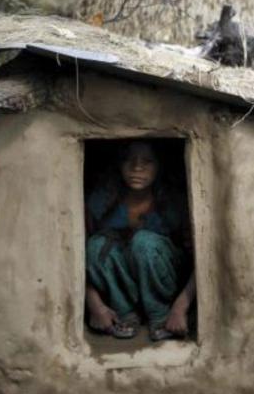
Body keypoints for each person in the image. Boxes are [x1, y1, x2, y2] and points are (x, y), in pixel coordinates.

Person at [84, 140, 195, 341]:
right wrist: (94, 305)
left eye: (147, 161)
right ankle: (124, 313)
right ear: (119, 164)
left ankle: (159, 315)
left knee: (143, 243)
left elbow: (204, 261)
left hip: (166, 285)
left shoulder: (176, 203)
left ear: (160, 166)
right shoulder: (102, 200)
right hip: (120, 288)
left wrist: (180, 307)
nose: (137, 167)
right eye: (129, 159)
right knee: (95, 246)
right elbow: (75, 256)